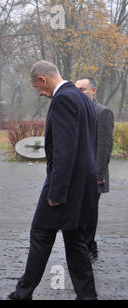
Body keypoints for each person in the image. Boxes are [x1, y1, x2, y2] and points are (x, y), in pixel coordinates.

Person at [8, 61, 98, 300]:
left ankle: (22, 295)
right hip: (80, 185)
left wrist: (56, 193)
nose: (39, 93)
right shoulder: (82, 99)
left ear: (42, 79)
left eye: (37, 87)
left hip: (64, 186)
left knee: (40, 234)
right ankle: (87, 296)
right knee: (76, 240)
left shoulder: (63, 100)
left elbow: (64, 151)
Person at [75, 77, 114, 259]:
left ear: (94, 90)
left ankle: (88, 248)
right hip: (77, 173)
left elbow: (104, 147)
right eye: (77, 89)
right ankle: (87, 246)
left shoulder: (102, 112)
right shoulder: (77, 110)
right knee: (79, 212)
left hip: (94, 174)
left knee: (90, 213)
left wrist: (98, 175)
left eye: (82, 89)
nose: (79, 92)